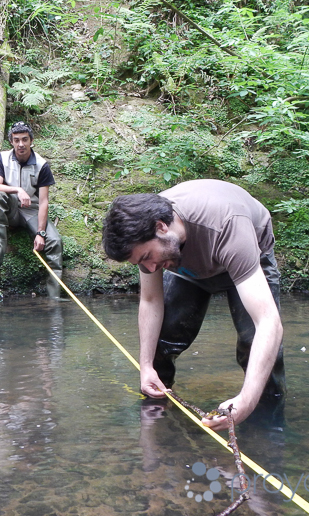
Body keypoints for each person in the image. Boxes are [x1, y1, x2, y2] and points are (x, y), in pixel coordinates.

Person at [101, 179, 286, 431]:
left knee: (254, 343)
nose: (150, 269)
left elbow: (268, 323)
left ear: (161, 227)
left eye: (146, 257)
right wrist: (145, 367)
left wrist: (246, 401)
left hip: (246, 258)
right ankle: (157, 423)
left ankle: (266, 424)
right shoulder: (148, 235)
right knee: (161, 342)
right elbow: (150, 300)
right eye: (140, 263)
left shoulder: (227, 225)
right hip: (185, 265)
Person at [0, 121, 63, 299]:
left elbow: (44, 202)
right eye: (16, 140)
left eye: (25, 139)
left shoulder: (42, 165)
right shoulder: (3, 158)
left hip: (32, 211)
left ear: (31, 140)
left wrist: (41, 232)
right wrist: (17, 190)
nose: (21, 144)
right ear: (11, 141)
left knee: (54, 241)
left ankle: (54, 295)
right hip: (11, 209)